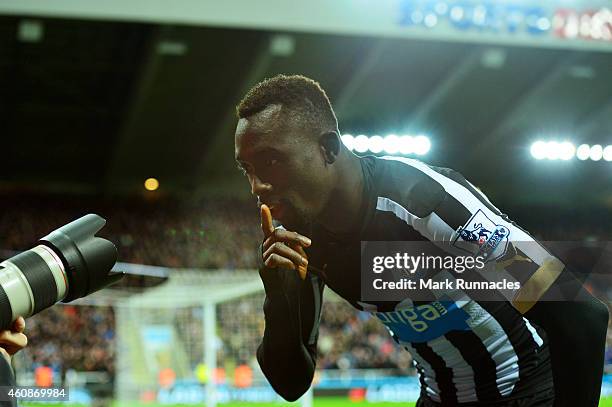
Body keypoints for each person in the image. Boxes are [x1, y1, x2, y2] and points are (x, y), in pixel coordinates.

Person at [233, 74, 608, 406]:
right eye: (248, 169)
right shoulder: (303, 239)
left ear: (328, 148)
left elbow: (580, 316)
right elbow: (291, 383)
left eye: (271, 161)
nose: (257, 186)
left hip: (525, 392)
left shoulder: (426, 201)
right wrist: (280, 299)